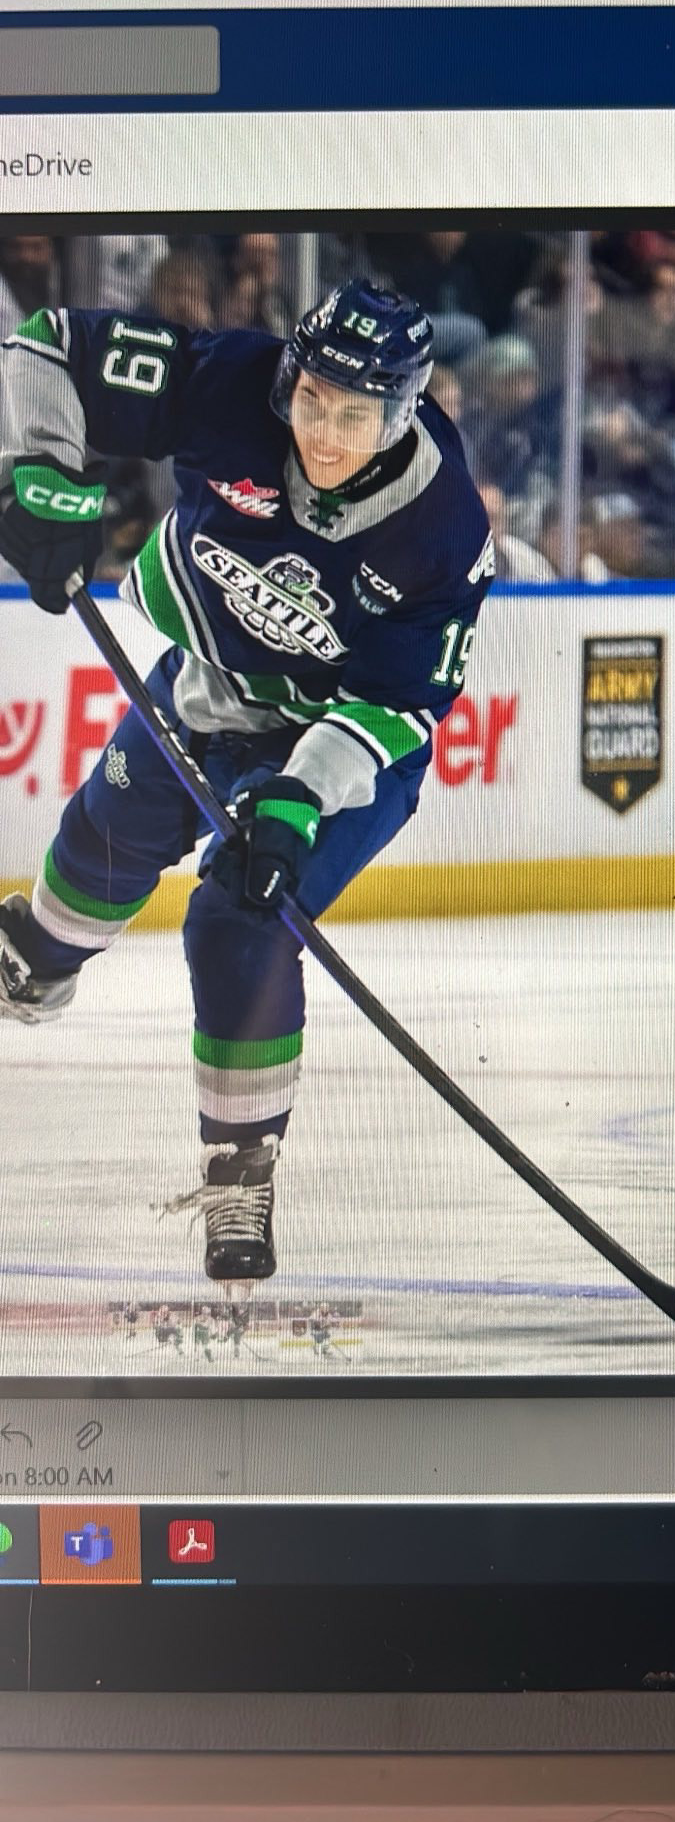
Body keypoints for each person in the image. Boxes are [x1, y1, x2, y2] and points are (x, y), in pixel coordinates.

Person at [0, 280, 492, 1285]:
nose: (323, 429)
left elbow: (404, 704)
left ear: (401, 412)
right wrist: (39, 471)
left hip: (340, 747)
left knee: (237, 916)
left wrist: (299, 795)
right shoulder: (229, 381)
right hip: (207, 684)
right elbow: (48, 344)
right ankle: (36, 958)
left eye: (355, 414)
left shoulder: (442, 527)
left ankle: (240, 1169)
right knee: (109, 829)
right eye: (312, 398)